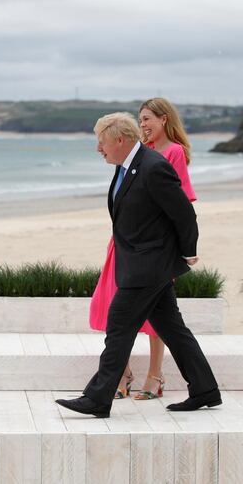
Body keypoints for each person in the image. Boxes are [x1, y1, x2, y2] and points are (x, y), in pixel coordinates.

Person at [56, 112, 221, 418]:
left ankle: (97, 398)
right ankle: (204, 389)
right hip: (142, 262)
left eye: (101, 142)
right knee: (172, 328)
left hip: (150, 264)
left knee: (118, 323)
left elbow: (184, 214)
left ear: (120, 140)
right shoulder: (128, 166)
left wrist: (187, 253)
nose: (98, 149)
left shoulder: (153, 167)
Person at [88, 98, 196, 400]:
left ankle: (154, 375)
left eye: (148, 118)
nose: (144, 124)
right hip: (125, 244)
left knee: (156, 317)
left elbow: (180, 205)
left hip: (154, 250)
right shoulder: (138, 153)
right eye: (140, 118)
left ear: (165, 120)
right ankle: (124, 375)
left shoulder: (171, 153)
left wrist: (178, 250)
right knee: (115, 304)